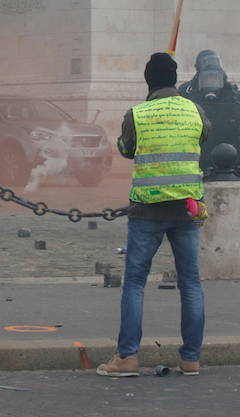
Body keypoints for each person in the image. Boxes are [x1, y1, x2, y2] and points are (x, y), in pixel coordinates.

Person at [97, 52, 210, 378]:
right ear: (175, 79)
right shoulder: (196, 110)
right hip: (190, 207)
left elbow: (127, 149)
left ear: (148, 81)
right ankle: (191, 358)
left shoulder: (137, 114)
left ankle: (128, 358)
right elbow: (204, 139)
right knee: (191, 283)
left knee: (134, 283)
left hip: (147, 208)